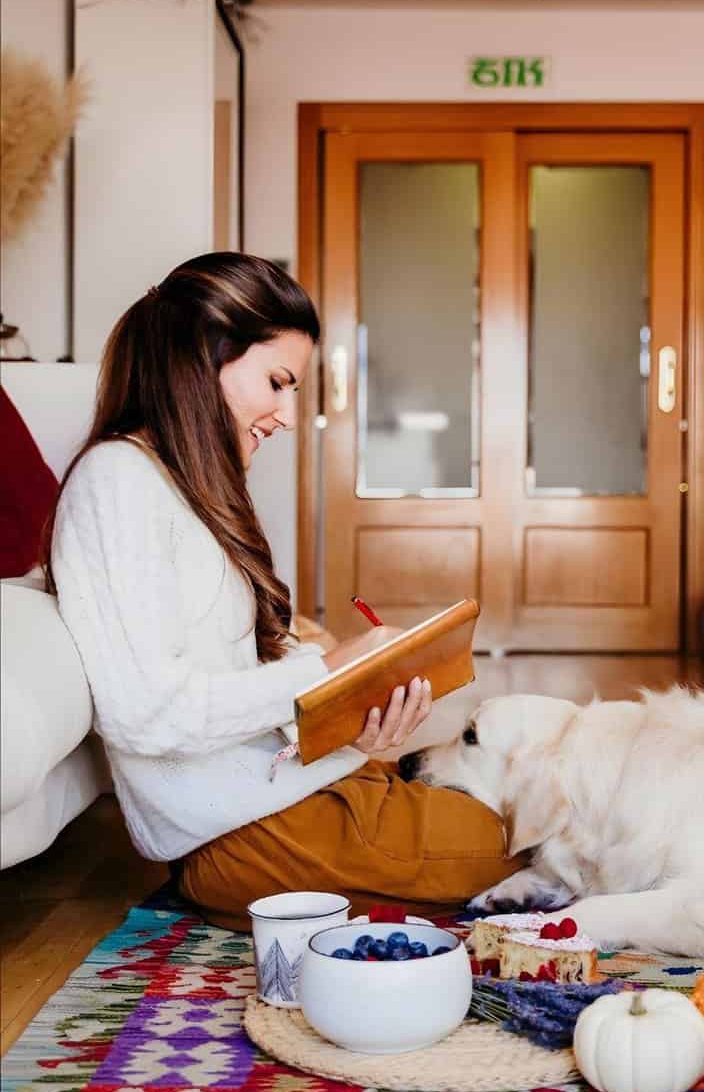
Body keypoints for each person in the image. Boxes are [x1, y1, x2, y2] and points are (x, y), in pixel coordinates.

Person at [45, 252, 523, 929]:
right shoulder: (116, 481)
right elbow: (146, 711)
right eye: (277, 381)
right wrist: (324, 673)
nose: (289, 416)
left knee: (530, 811)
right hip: (244, 830)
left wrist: (355, 711)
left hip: (296, 792)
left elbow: (244, 695)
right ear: (202, 356)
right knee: (544, 849)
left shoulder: (192, 492)